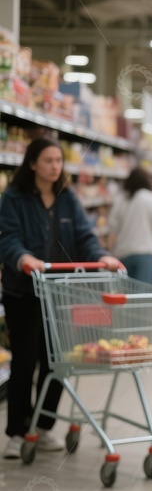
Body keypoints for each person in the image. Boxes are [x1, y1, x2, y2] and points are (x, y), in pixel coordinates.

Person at [0, 138, 120, 459]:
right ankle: (16, 432)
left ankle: (43, 426)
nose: (56, 166)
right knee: (25, 362)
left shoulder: (68, 199)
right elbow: (8, 238)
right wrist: (24, 259)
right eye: (48, 160)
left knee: (58, 361)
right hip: (23, 293)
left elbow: (85, 237)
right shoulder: (14, 198)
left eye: (58, 160)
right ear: (32, 163)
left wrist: (102, 256)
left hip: (61, 293)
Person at [107, 167, 152, 283]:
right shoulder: (151, 198)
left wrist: (111, 253)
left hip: (122, 254)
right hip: (145, 255)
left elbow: (112, 229)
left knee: (125, 295)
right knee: (142, 296)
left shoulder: (120, 199)